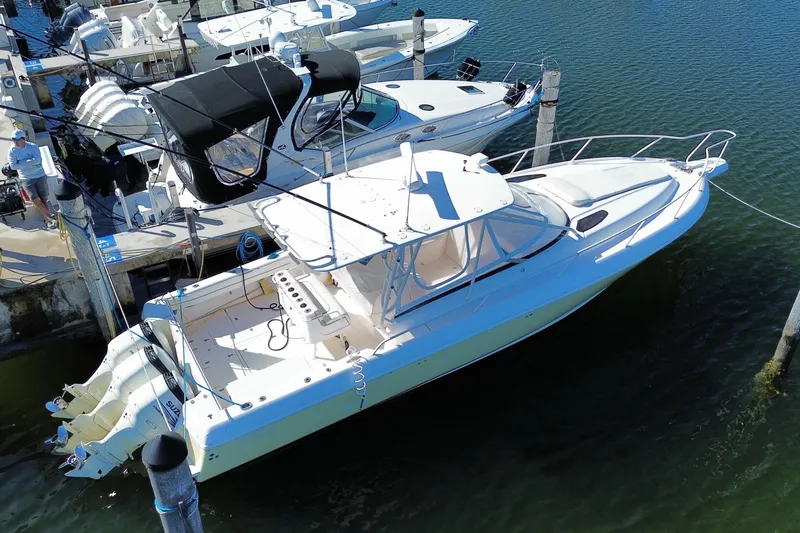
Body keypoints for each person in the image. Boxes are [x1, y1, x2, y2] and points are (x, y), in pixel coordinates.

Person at [7, 129, 56, 228]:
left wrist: (21, 163)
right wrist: (30, 162)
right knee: (34, 198)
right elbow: (13, 166)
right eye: (13, 139)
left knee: (44, 198)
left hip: (40, 175)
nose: (15, 141)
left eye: (17, 139)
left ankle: (48, 219)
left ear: (23, 139)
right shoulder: (12, 151)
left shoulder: (33, 147)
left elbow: (37, 161)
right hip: (26, 178)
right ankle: (50, 217)